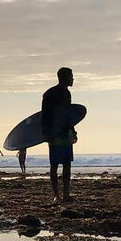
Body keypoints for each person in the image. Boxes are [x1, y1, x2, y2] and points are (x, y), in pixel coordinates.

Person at [42, 67, 76, 203]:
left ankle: (66, 194)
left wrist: (73, 131)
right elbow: (45, 115)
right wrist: (46, 133)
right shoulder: (50, 94)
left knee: (67, 164)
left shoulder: (67, 93)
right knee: (55, 164)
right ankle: (56, 195)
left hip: (65, 132)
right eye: (71, 76)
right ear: (64, 77)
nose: (73, 79)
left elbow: (68, 115)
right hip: (55, 133)